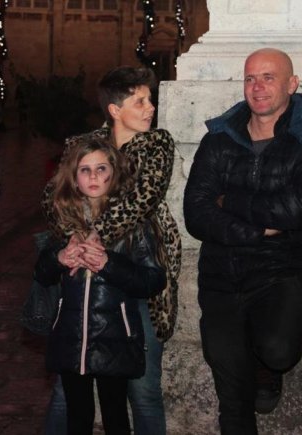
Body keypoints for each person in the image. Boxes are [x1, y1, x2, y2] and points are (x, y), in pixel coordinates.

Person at [183, 48, 302, 434]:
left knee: (279, 352)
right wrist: (257, 229)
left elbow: (296, 211)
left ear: (292, 84)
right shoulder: (219, 138)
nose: (258, 87)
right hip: (220, 276)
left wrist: (228, 201)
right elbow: (196, 213)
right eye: (251, 78)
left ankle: (267, 366)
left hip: (278, 270)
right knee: (233, 399)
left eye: (269, 77)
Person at [41, 66, 181, 435]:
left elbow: (142, 201)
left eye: (149, 99)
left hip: (136, 273)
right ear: (115, 110)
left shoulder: (157, 144)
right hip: (84, 284)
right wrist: (73, 241)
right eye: (140, 101)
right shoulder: (82, 144)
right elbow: (52, 197)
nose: (150, 107)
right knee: (66, 390)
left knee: (142, 390)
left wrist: (93, 237)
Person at [36, 137, 166, 435]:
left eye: (101, 168)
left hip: (114, 335)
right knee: (77, 414)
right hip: (71, 334)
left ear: (114, 174)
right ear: (73, 177)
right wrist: (60, 258)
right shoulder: (64, 220)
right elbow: (41, 274)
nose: (93, 176)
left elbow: (152, 279)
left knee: (115, 413)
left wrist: (109, 264)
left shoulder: (134, 224)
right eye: (85, 170)